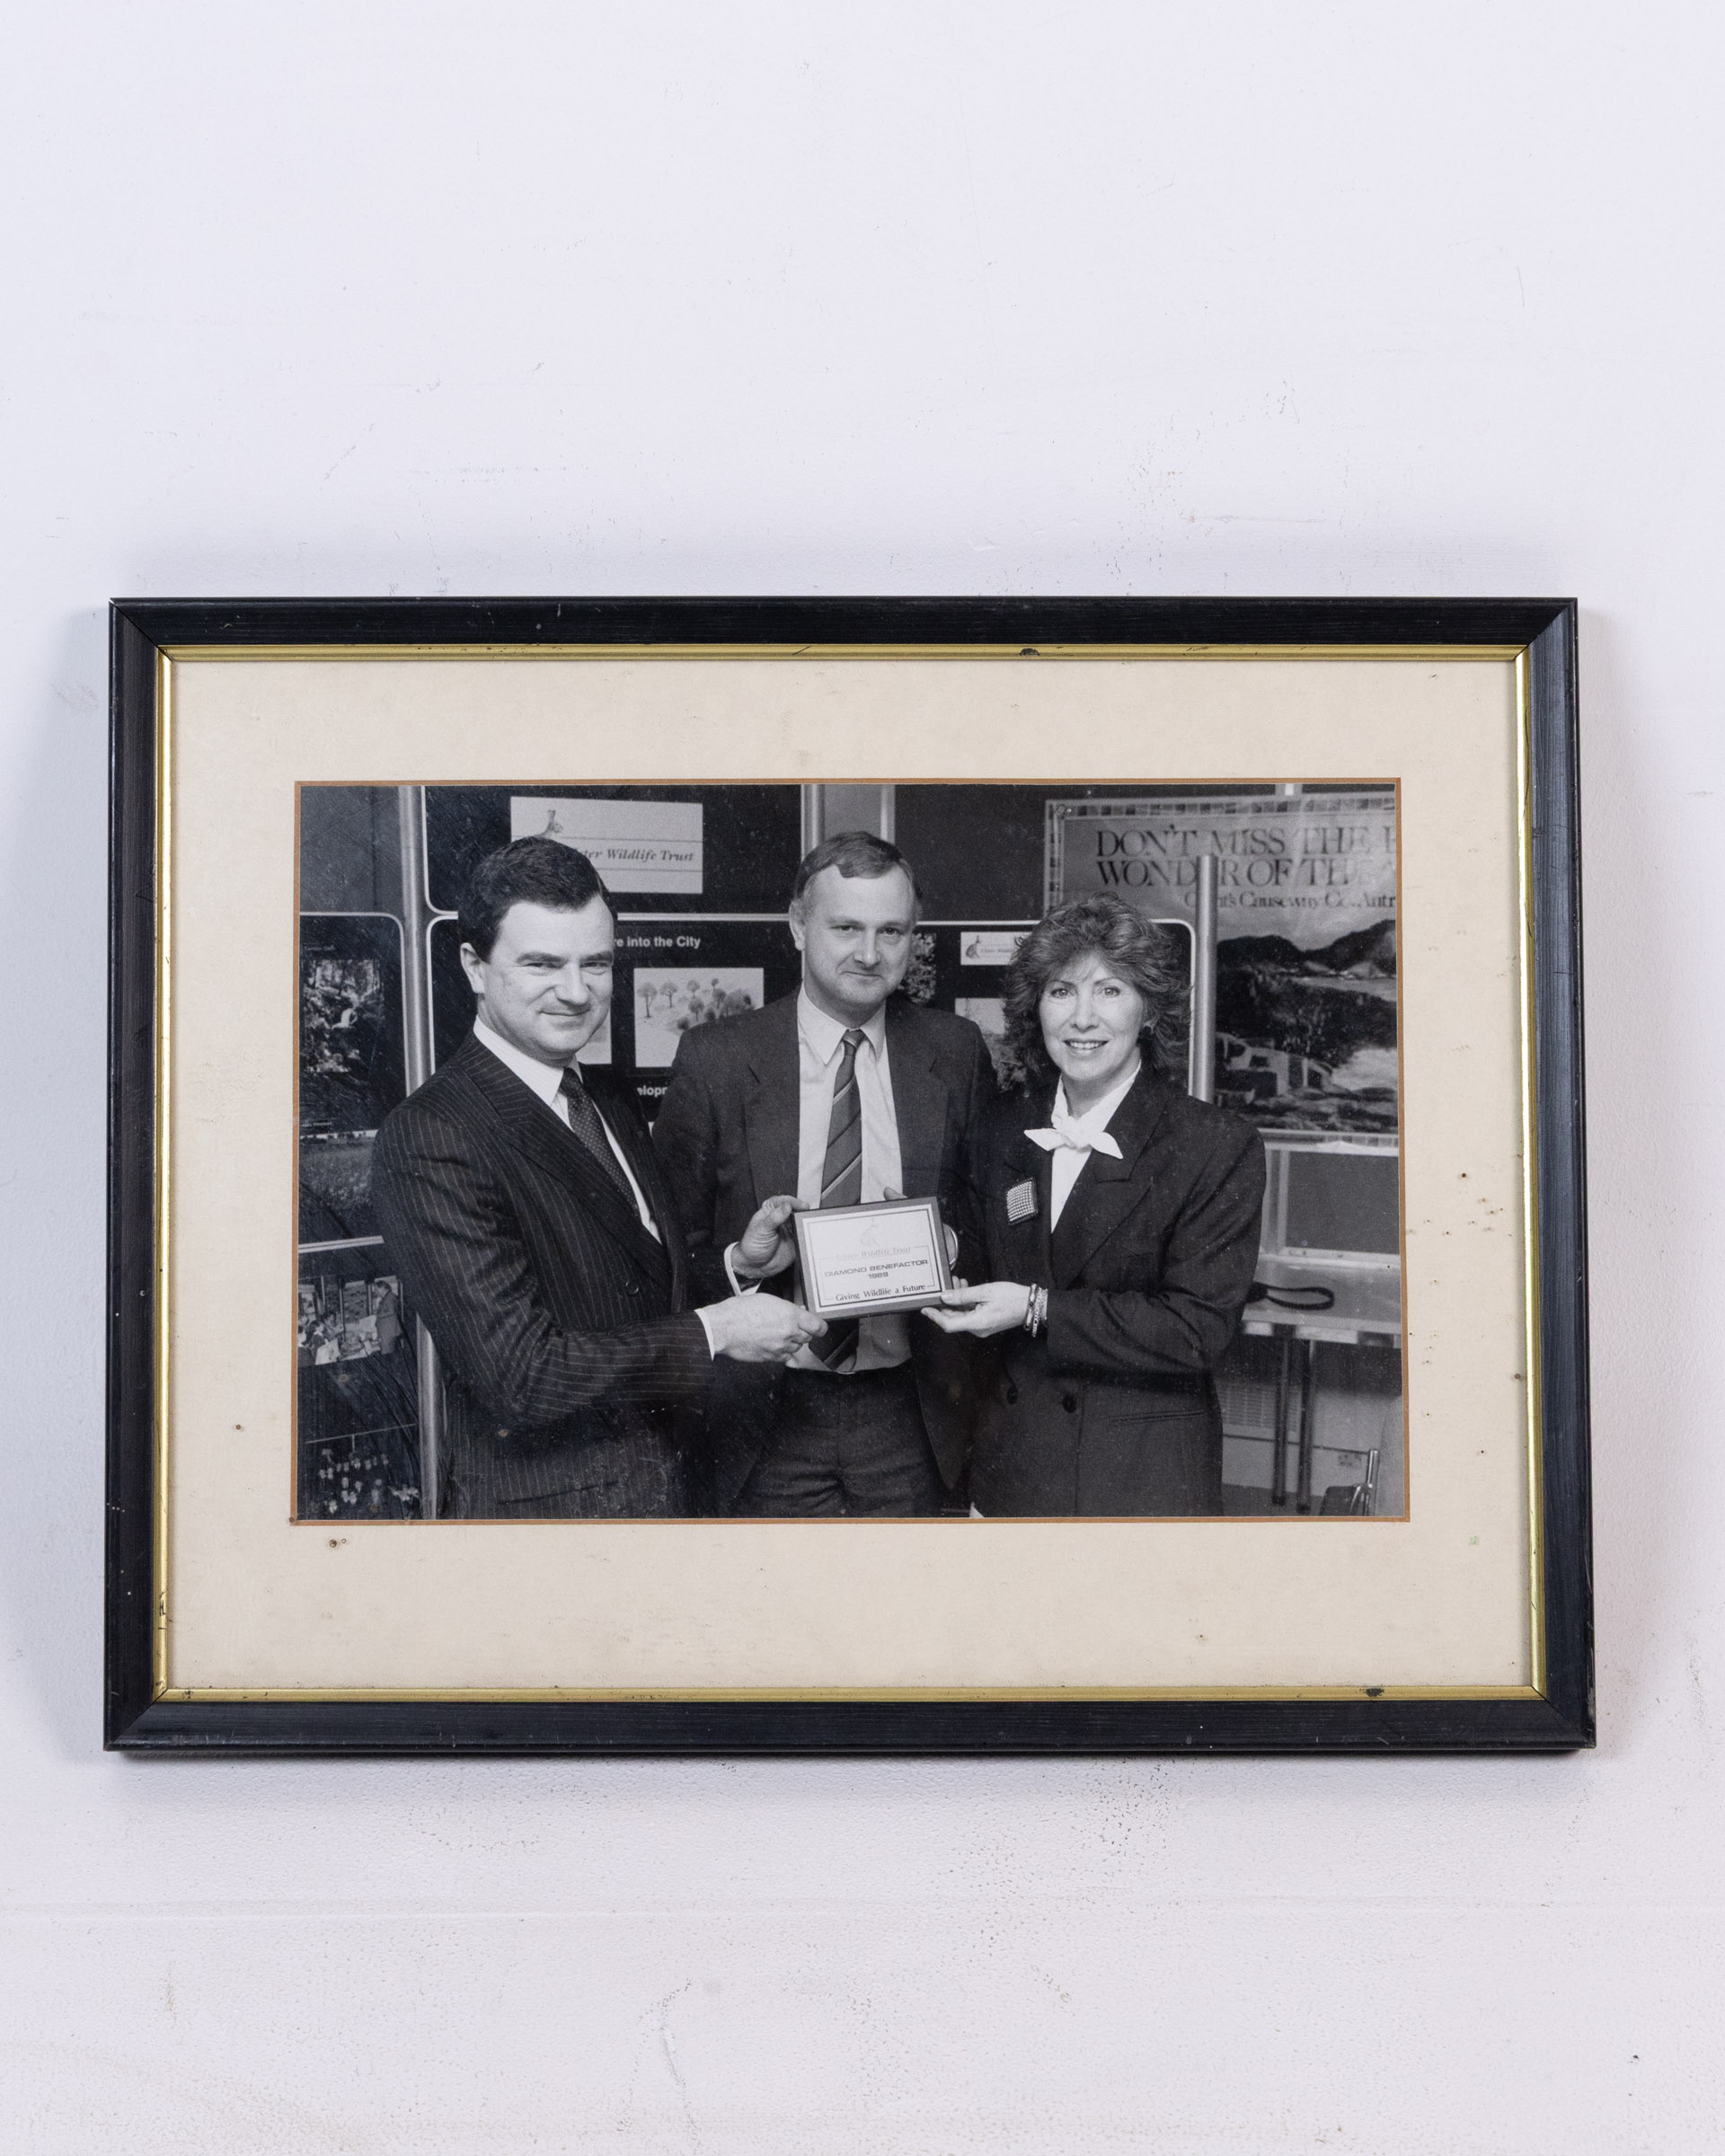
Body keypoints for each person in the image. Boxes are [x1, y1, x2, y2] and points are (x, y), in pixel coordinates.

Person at [370, 837, 826, 1519]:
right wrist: (719, 1329)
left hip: (673, 1497)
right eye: (542, 964)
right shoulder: (432, 1134)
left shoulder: (604, 1094)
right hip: (553, 1530)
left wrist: (736, 1265)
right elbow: (521, 1376)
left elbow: (629, 1293)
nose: (577, 992)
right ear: (474, 966)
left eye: (597, 964)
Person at [652, 831, 996, 1516]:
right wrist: (741, 1265)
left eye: (891, 931)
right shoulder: (716, 1060)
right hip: (765, 1414)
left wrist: (945, 1248)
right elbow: (663, 1248)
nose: (869, 953)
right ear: (798, 927)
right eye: (846, 927)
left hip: (909, 1411)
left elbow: (988, 1218)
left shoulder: (954, 1052)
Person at [924, 892, 1265, 1516]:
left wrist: (1036, 1308)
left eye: (1109, 991)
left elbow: (1196, 1331)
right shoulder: (999, 1130)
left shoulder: (1212, 1144)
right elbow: (979, 1267)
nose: (1083, 1019)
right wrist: (939, 1251)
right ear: (1037, 1010)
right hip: (1011, 1473)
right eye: (1061, 992)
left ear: (1149, 1011)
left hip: (1138, 1483)